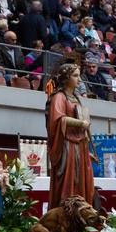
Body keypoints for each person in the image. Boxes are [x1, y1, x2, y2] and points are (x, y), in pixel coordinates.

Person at [45, 62, 95, 211]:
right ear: (66, 78)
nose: (79, 80)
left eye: (79, 76)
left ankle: (80, 211)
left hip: (80, 146)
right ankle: (66, 212)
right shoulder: (59, 97)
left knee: (82, 181)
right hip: (67, 145)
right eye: (75, 76)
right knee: (70, 180)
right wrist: (80, 123)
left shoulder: (76, 98)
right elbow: (58, 119)